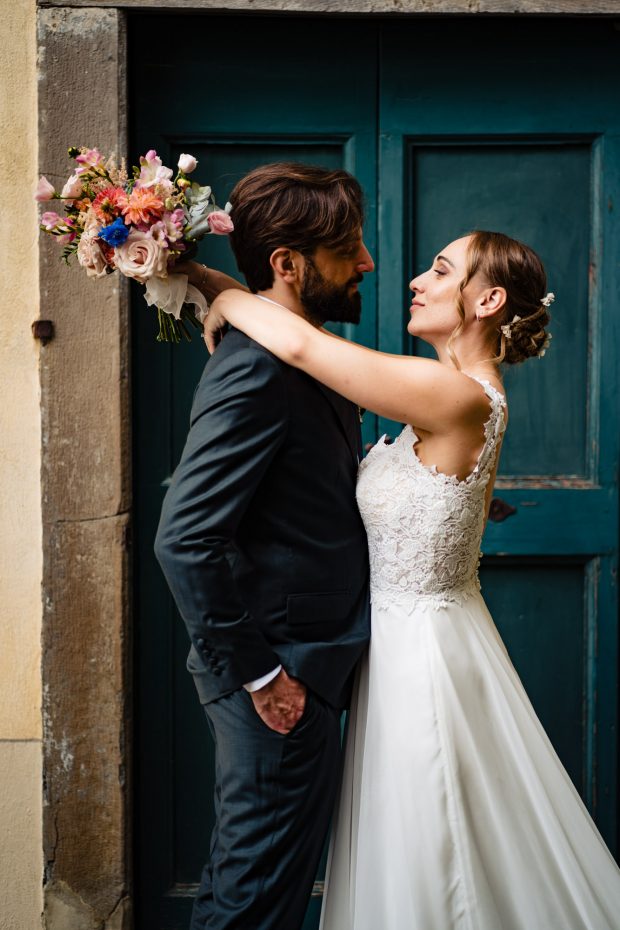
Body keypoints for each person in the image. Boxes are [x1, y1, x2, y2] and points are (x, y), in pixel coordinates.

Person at [205, 230, 620, 929]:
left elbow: (303, 347)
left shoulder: (451, 393)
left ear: (486, 300)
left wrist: (211, 285)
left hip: (421, 657)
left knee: (432, 844)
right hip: (404, 640)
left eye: (440, 269)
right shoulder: (457, 395)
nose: (416, 281)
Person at [154, 162, 375, 930]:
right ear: (287, 264)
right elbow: (185, 539)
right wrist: (263, 676)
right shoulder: (255, 365)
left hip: (304, 662)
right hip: (278, 674)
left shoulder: (284, 344)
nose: (368, 263)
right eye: (350, 247)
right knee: (253, 902)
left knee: (248, 886)